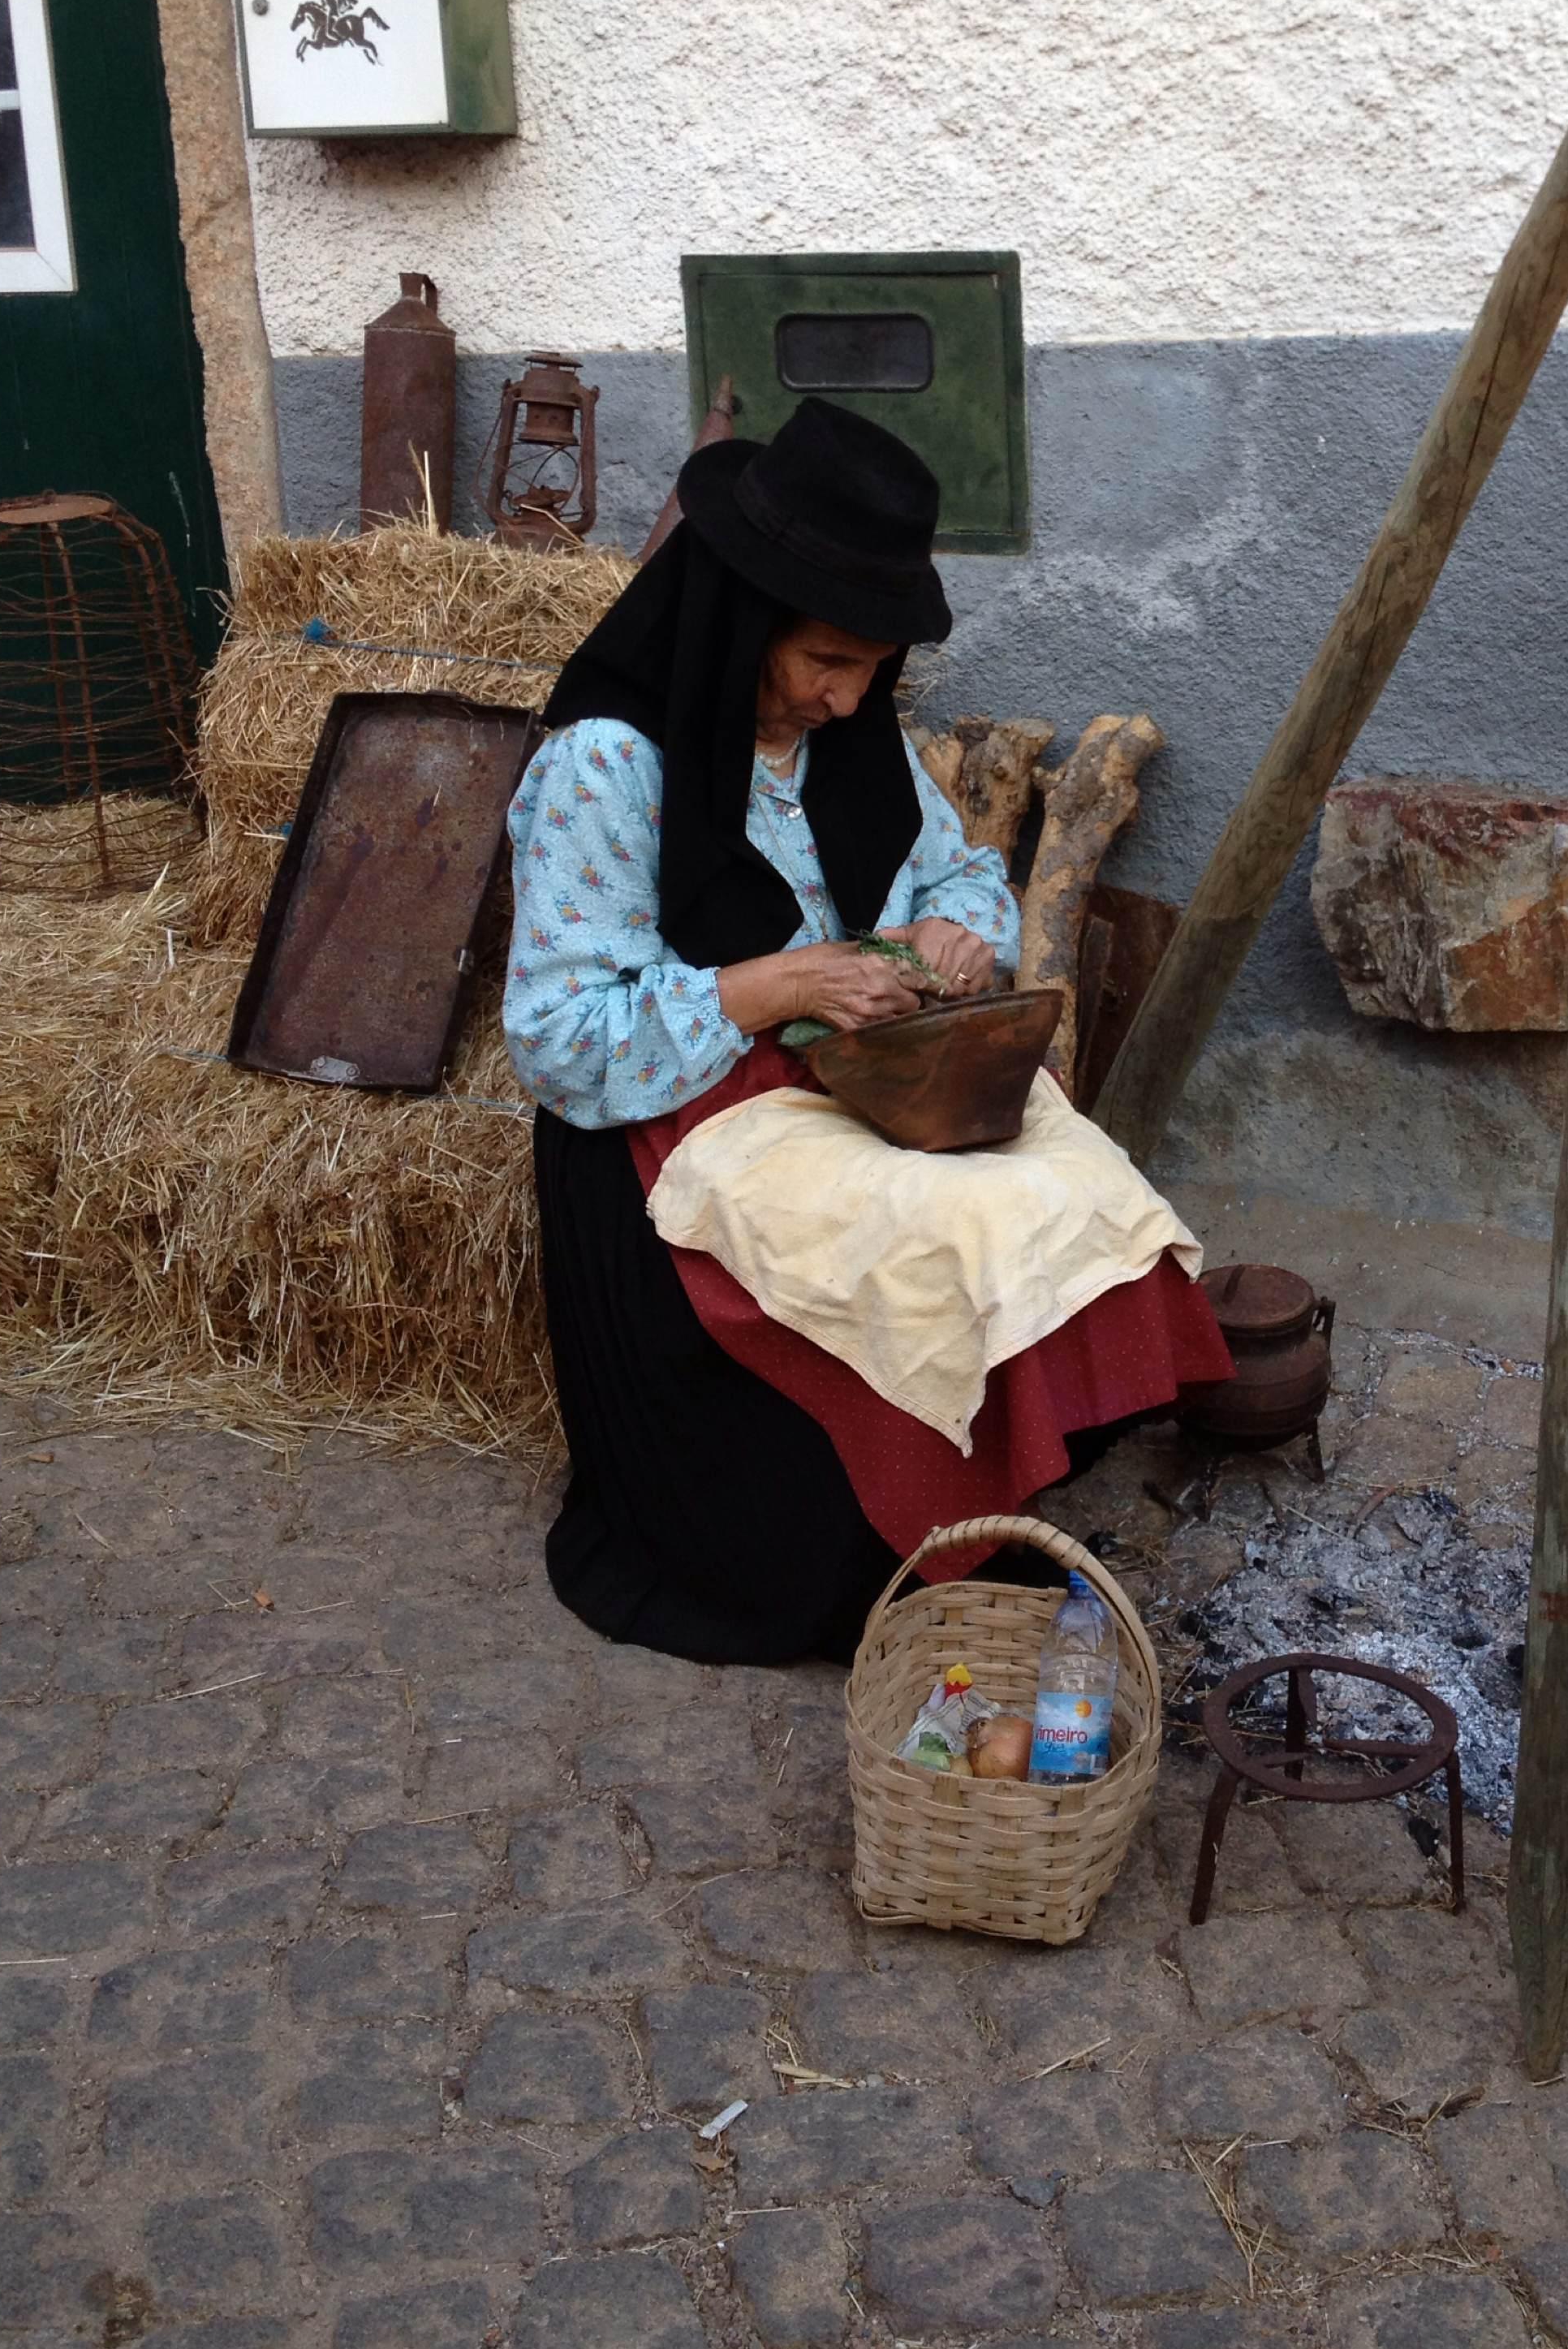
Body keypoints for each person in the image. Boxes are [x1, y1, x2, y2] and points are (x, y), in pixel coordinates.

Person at [503, 396, 1229, 1663]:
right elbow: (560, 1037)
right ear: (738, 625)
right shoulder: (610, 767)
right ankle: (898, 1528)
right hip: (678, 1126)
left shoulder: (854, 740)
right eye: (823, 661)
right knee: (946, 1227)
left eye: (872, 666)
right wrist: (779, 987)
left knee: (1073, 1185)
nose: (848, 696)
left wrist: (960, 933)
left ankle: (998, 1487)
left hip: (857, 1071)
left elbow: (955, 880)